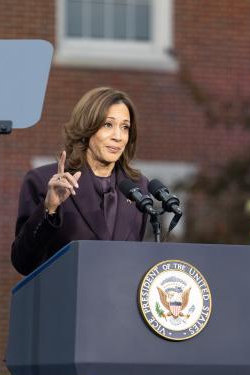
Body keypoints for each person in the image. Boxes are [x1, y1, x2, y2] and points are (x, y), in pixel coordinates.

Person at [11, 87, 149, 275]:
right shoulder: (44, 181)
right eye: (108, 125)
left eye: (125, 127)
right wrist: (49, 209)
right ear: (87, 127)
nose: (118, 136)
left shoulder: (138, 187)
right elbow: (23, 262)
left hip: (120, 301)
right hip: (67, 300)